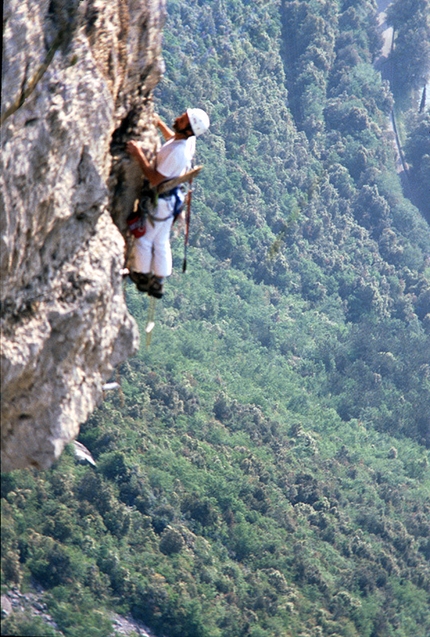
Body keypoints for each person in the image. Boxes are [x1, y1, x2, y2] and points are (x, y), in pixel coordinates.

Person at [126, 108, 210, 298]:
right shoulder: (185, 142)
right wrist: (161, 125)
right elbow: (173, 138)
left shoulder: (178, 153)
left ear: (189, 129)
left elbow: (154, 179)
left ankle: (142, 274)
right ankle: (159, 280)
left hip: (161, 201)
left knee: (145, 239)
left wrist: (138, 153)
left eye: (183, 119)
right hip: (170, 200)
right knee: (160, 240)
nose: (178, 118)